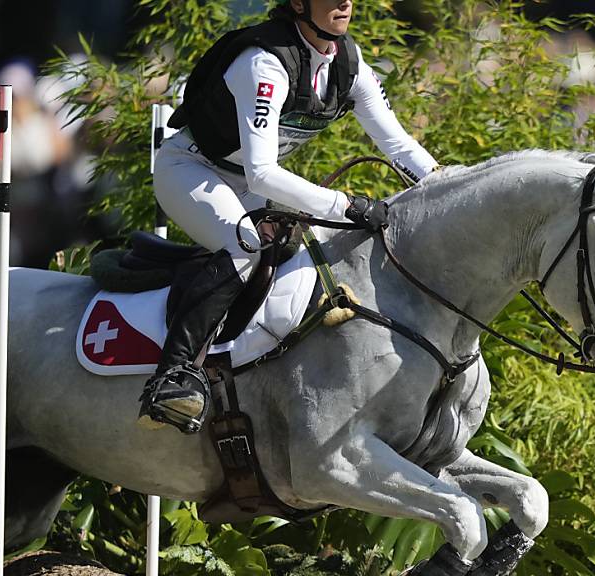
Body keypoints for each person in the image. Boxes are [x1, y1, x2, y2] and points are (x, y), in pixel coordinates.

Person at [139, 0, 439, 433]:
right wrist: (344, 205)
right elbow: (263, 174)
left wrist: (447, 186)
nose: (345, 3)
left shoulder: (349, 66)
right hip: (192, 170)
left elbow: (400, 147)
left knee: (319, 251)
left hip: (245, 181)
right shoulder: (265, 63)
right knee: (245, 246)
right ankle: (173, 376)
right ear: (299, 3)